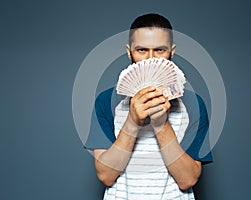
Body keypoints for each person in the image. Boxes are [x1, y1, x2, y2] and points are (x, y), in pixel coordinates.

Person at [85, 13, 212, 199]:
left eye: (160, 50)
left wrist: (161, 124)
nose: (151, 59)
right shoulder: (106, 101)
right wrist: (132, 121)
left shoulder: (193, 104)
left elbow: (188, 179)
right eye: (141, 50)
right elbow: (106, 175)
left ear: (172, 51)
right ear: (129, 52)